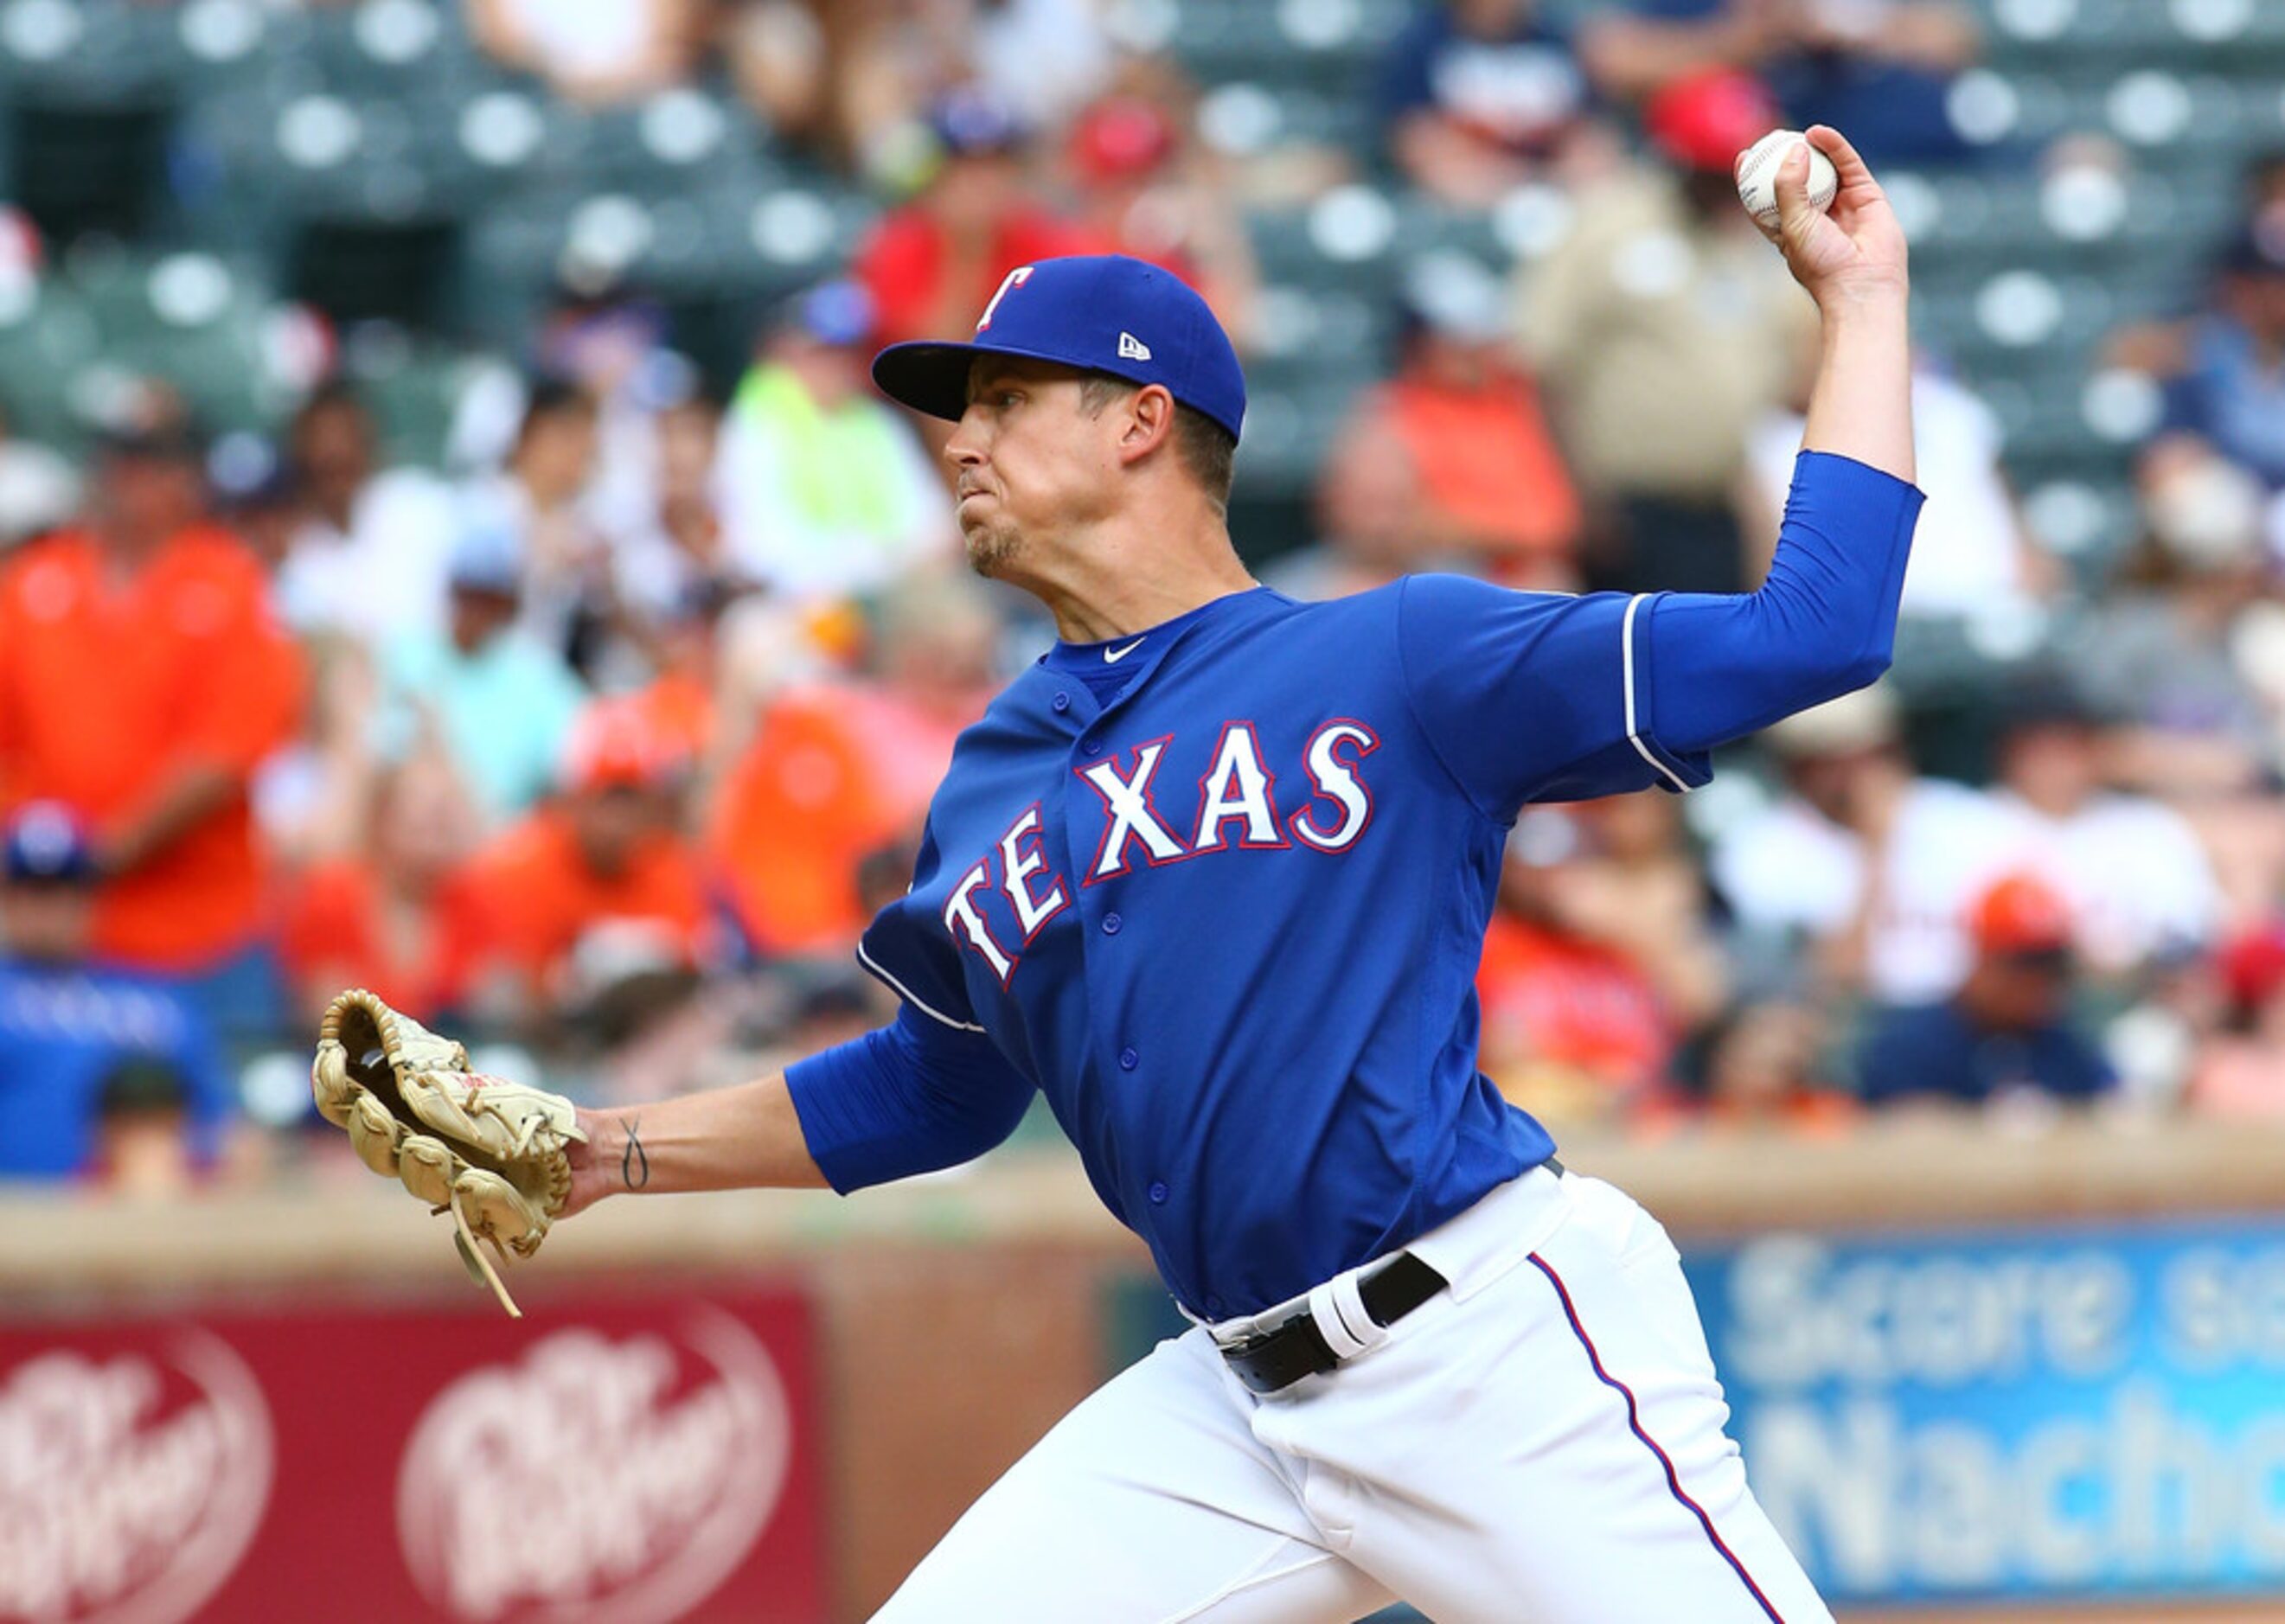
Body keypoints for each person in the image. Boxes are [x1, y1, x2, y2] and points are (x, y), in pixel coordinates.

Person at [520, 126, 1911, 1621]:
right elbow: (941, 1088)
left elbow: (1814, 632)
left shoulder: (1393, 654)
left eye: (1002, 397)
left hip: (1487, 1341)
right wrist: (608, 1146)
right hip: (1230, 1409)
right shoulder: (992, 771)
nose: (959, 438)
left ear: (1137, 421)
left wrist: (1864, 304)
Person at [0, 420, 304, 1034]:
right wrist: (38, 858)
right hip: (42, 931)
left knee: (214, 1116)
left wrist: (97, 856)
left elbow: (225, 754)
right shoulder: (35, 579)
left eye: (152, 465)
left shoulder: (229, 583)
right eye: (120, 461)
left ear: (187, 481)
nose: (131, 482)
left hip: (197, 932)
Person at [0, 803, 234, 1182]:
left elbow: (219, 1129)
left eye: (63, 888)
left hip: (139, 1225)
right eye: (31, 890)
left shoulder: (160, 999)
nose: (46, 909)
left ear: (93, 898)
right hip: (16, 1223)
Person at [713, 279, 955, 601]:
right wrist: (881, 562)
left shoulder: (877, 423)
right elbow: (761, 548)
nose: (837, 366)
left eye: (848, 352)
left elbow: (936, 528)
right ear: (787, 350)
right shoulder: (756, 422)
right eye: (823, 351)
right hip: (794, 604)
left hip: (889, 598)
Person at [1853, 873, 2116, 1109]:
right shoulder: (1911, 1046)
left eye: (2050, 969)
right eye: (2025, 966)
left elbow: (2114, 1105)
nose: (2038, 984)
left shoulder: (2066, 1049)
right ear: (1982, 959)